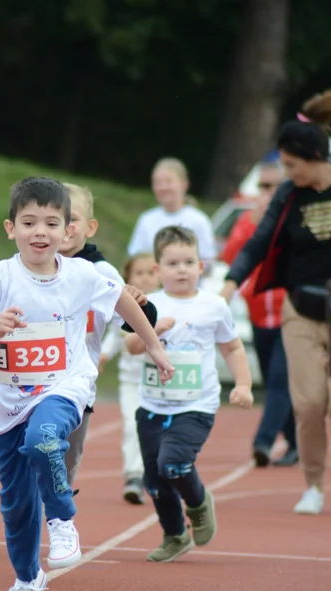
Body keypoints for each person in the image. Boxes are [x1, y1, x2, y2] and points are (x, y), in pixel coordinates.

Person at [0, 177, 174, 591]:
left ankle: (62, 520)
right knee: (15, 509)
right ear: (10, 227)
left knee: (45, 438)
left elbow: (125, 305)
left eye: (52, 223)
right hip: (9, 401)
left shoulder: (82, 275)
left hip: (64, 386)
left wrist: (152, 345)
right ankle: (28, 582)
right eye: (30, 222)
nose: (41, 231)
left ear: (67, 229)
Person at [221, 87, 331, 516]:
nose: (287, 172)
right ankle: (314, 485)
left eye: (291, 164)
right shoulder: (288, 196)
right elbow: (258, 244)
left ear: (316, 157)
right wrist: (227, 287)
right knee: (308, 404)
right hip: (300, 306)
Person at [126, 226, 254, 562]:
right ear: (157, 269)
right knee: (153, 482)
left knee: (174, 464)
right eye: (172, 263)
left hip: (196, 405)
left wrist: (243, 384)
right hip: (152, 406)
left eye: (188, 262)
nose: (181, 269)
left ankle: (197, 502)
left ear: (201, 266)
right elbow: (132, 346)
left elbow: (232, 347)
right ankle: (175, 535)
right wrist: (152, 331)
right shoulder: (148, 305)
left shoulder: (213, 306)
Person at [58, 183, 157, 504]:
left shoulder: (101, 271)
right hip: (31, 383)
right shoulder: (29, 265)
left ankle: (58, 508)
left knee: (65, 462)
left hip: (77, 386)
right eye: (57, 218)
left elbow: (133, 321)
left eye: (73, 218)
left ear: (91, 226)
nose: (65, 226)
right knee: (31, 453)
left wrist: (140, 304)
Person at [220, 158, 298, 467]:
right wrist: (253, 222)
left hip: (290, 315)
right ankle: (295, 441)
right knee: (274, 380)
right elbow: (232, 256)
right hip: (259, 315)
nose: (267, 192)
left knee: (280, 378)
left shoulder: (293, 219)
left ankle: (263, 442)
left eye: (273, 185)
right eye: (262, 186)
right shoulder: (249, 221)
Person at [100, 253, 160, 504]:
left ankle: (159, 476)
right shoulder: (123, 303)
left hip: (161, 385)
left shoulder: (166, 303)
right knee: (132, 426)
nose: (145, 278)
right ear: (128, 278)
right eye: (139, 273)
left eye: (150, 272)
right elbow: (115, 336)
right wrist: (103, 355)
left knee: (159, 432)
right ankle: (134, 475)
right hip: (132, 381)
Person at [126, 157, 216, 279]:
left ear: (184, 184)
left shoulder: (199, 221)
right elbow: (134, 258)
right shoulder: (146, 220)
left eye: (168, 182)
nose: (163, 188)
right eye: (157, 183)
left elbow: (208, 264)